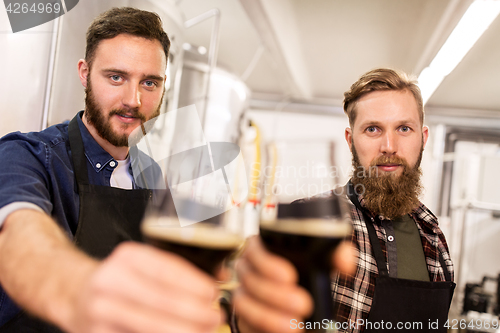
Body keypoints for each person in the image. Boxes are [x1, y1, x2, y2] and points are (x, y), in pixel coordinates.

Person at [0, 7, 222, 333]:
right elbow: (18, 239)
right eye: (116, 77)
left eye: (149, 82)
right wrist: (80, 291)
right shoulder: (27, 155)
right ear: (84, 73)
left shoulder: (155, 180)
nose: (133, 99)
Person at [234, 68, 455, 333]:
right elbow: (259, 314)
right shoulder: (312, 222)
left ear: (423, 138)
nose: (389, 145)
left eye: (404, 128)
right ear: (351, 141)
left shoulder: (434, 235)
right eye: (373, 129)